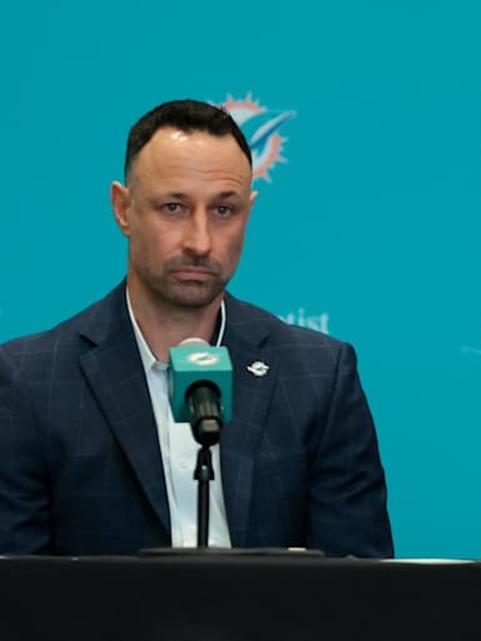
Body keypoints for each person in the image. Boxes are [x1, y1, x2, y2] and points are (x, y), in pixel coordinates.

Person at [0, 100, 394, 557]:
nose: (200, 242)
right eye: (173, 207)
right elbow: (16, 596)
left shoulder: (320, 375)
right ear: (123, 209)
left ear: (249, 210)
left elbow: (359, 593)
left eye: (223, 211)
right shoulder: (29, 382)